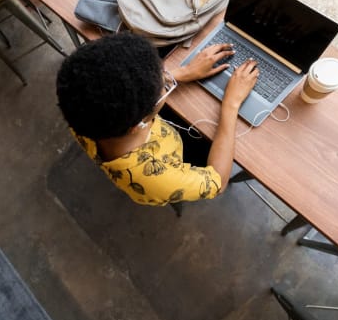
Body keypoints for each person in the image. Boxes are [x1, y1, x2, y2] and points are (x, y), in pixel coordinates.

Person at [56, 32, 258, 206]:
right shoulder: (156, 179)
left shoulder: (82, 109)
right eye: (164, 86)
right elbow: (218, 182)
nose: (167, 79)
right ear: (138, 125)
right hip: (177, 154)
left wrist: (183, 73)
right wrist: (231, 104)